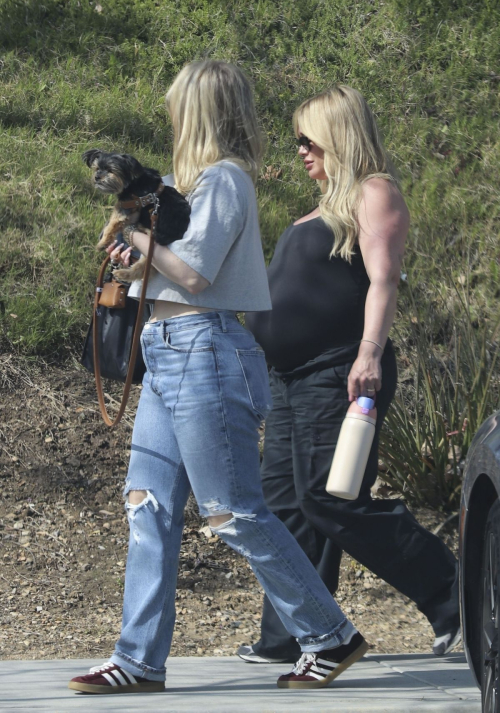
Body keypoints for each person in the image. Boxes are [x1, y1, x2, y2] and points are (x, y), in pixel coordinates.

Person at [68, 62, 369, 695]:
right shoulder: (185, 184)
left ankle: (330, 635)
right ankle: (139, 658)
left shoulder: (226, 182)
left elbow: (197, 275)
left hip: (205, 350)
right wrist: (126, 263)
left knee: (232, 512)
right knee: (147, 507)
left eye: (179, 105)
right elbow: (167, 274)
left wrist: (139, 239)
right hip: (167, 345)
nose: (172, 115)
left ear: (201, 110)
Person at [241, 86, 460, 665]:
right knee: (285, 505)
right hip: (291, 379)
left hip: (340, 370)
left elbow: (384, 281)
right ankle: (292, 633)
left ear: (338, 134)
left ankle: (453, 593)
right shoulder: (316, 209)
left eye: (308, 140)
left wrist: (368, 354)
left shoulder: (374, 192)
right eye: (296, 142)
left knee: (332, 499)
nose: (300, 152)